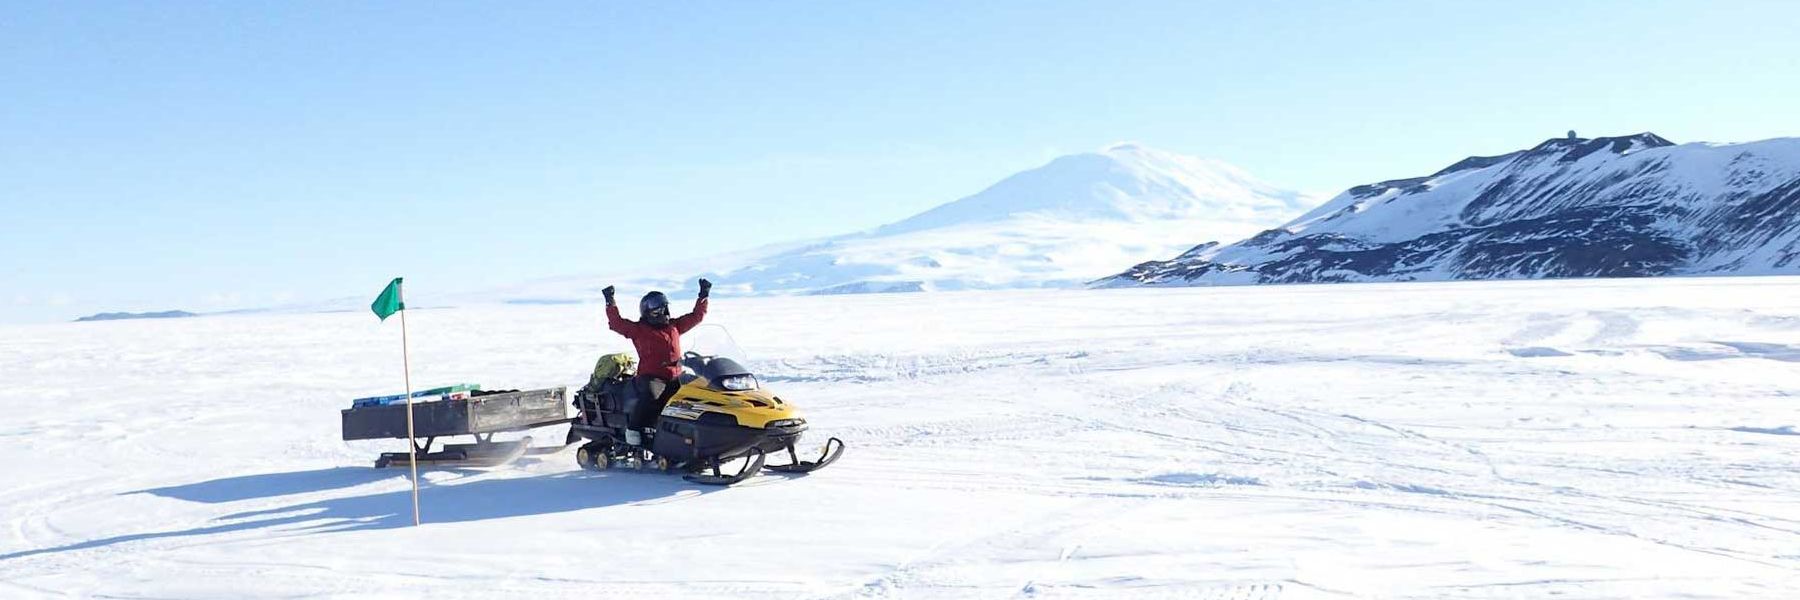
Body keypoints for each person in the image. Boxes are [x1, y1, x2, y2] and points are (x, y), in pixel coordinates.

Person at [602, 278, 711, 446]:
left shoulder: (674, 326)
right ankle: (634, 428)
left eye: (665, 308)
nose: (664, 313)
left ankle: (698, 430)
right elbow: (617, 323)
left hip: (676, 375)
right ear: (649, 312)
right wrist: (610, 302)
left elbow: (696, 316)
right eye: (659, 310)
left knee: (699, 389)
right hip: (652, 377)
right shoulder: (639, 330)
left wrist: (703, 296)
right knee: (653, 394)